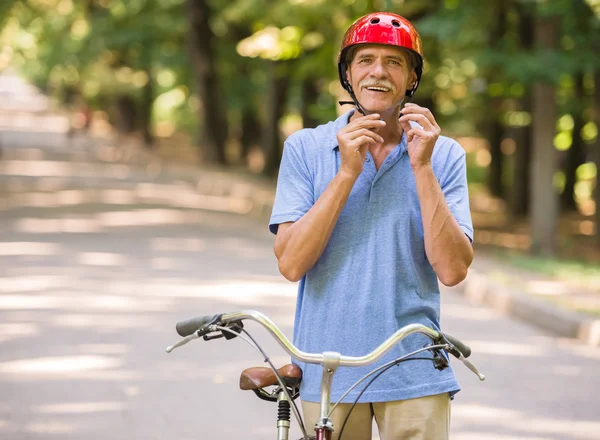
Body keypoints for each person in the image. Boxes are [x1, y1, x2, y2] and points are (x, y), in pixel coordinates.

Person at [269, 12, 474, 440]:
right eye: (365, 60)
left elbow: (453, 270)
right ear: (348, 73)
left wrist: (422, 167)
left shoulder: (445, 155)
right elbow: (290, 263)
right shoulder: (307, 148)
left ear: (411, 78)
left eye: (394, 62)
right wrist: (346, 173)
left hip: (414, 370)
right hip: (327, 371)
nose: (378, 71)